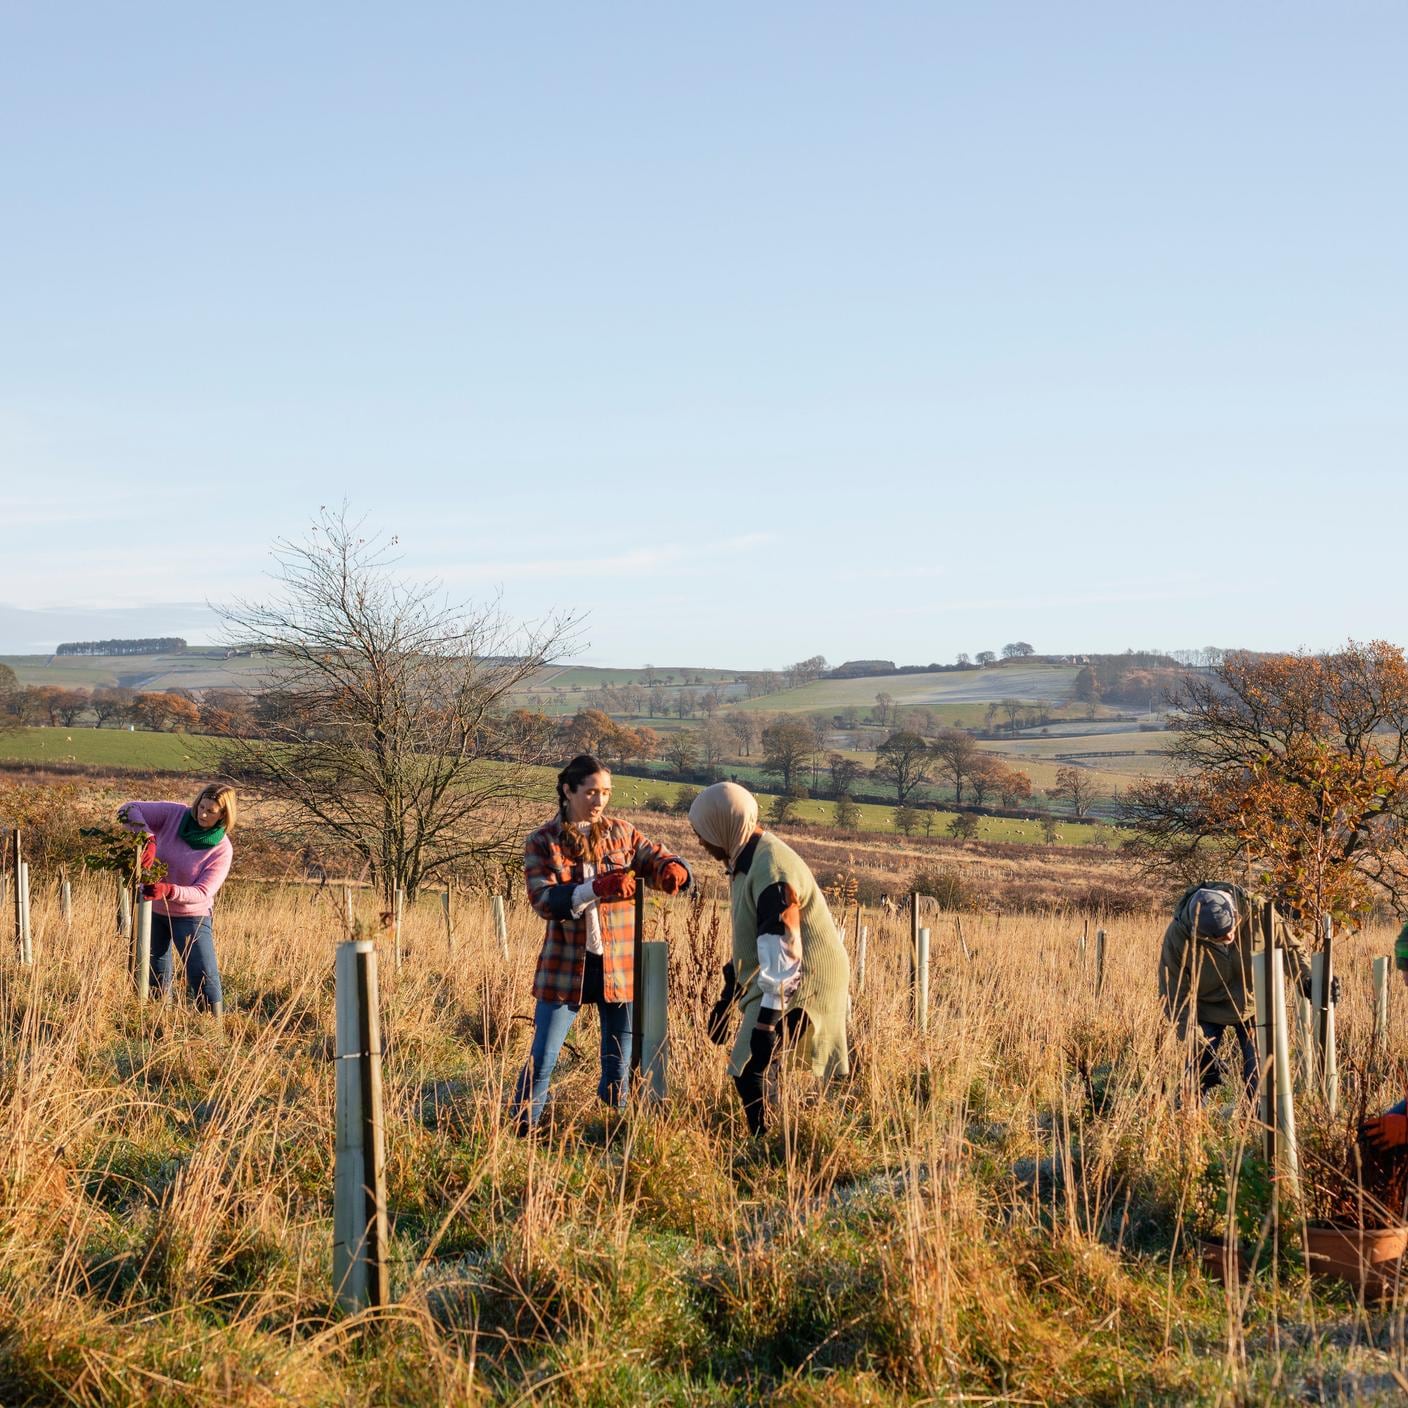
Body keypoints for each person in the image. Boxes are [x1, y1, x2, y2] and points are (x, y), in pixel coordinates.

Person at [513, 754, 691, 1134]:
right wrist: (595, 888)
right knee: (544, 1056)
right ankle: (522, 1130)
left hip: (618, 964)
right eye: (592, 792)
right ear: (568, 790)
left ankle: (612, 1130)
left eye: (606, 793)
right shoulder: (542, 842)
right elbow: (543, 900)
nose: (599, 801)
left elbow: (656, 856)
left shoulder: (622, 834)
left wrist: (674, 870)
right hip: (566, 967)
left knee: (618, 1061)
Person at [687, 781, 850, 1137]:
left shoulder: (772, 869)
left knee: (752, 1066)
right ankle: (777, 1137)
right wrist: (728, 999)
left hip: (805, 978)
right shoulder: (745, 861)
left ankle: (772, 1145)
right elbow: (751, 940)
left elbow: (783, 948)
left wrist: (766, 1023)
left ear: (724, 824)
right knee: (755, 1068)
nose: (700, 842)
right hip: (783, 973)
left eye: (703, 833)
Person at [1157, 882, 1330, 1102]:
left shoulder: (1259, 911)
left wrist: (1307, 979)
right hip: (1206, 1008)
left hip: (1254, 1004)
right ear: (1198, 932)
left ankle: (1259, 1125)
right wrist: (1199, 1047)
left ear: (1236, 913)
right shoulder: (1178, 936)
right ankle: (1190, 1125)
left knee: (1259, 1079)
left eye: (1231, 930)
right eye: (1218, 937)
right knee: (1195, 1076)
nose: (1229, 938)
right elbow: (1173, 997)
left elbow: (1289, 948)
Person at [117, 784, 237, 1014]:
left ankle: (213, 1028)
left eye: (211, 811)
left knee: (203, 975)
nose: (202, 814)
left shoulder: (222, 849)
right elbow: (128, 808)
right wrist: (147, 837)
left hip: (191, 917)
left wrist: (169, 890)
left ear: (224, 814)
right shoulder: (174, 815)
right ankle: (157, 1019)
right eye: (201, 807)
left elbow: (203, 891)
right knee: (154, 972)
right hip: (154, 911)